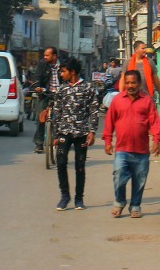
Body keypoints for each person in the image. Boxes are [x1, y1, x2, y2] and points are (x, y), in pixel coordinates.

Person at [103, 69, 160, 218]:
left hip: (141, 150)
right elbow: (109, 121)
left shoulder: (146, 100)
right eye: (127, 82)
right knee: (118, 176)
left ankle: (135, 206)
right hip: (122, 149)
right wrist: (108, 141)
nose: (130, 86)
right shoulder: (117, 100)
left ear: (139, 83)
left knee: (139, 180)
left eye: (133, 82)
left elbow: (154, 121)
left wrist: (156, 140)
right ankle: (119, 202)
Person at [49, 57, 99, 211]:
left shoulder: (88, 88)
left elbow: (94, 110)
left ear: (73, 72)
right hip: (64, 132)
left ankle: (79, 198)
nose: (61, 74)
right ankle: (65, 196)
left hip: (82, 133)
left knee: (80, 166)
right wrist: (56, 135)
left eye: (63, 71)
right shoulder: (61, 90)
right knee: (61, 163)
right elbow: (57, 112)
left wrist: (92, 131)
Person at [32, 46, 61, 154]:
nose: (45, 57)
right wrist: (38, 87)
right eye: (44, 55)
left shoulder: (62, 66)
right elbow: (37, 77)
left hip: (60, 94)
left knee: (64, 118)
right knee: (41, 117)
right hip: (45, 93)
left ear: (54, 56)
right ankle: (39, 143)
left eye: (47, 55)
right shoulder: (42, 64)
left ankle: (61, 139)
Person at [118, 41, 160, 106]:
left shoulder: (149, 61)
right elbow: (122, 78)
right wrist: (120, 95)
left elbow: (155, 78)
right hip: (131, 97)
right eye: (143, 48)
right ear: (136, 50)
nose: (145, 50)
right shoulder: (128, 62)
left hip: (147, 96)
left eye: (145, 48)